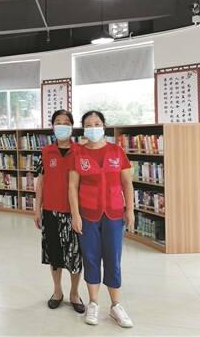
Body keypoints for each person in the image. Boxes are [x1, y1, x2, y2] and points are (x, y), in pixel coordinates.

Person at [68, 110, 134, 328]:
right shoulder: (78, 153)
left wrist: (130, 210)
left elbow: (127, 183)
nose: (93, 128)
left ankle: (116, 306)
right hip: (87, 214)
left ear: (104, 126)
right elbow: (72, 186)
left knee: (113, 258)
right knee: (91, 257)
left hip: (114, 213)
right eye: (88, 125)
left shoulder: (117, 151)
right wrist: (75, 215)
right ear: (83, 129)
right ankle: (93, 303)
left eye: (97, 124)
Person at [34, 109, 84, 313]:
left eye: (66, 122)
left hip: (74, 213)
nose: (62, 125)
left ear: (72, 126)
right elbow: (40, 183)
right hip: (50, 211)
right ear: (53, 126)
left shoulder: (80, 151)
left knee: (75, 256)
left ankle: (74, 293)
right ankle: (57, 291)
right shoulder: (45, 151)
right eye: (58, 122)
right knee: (54, 256)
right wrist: (37, 210)